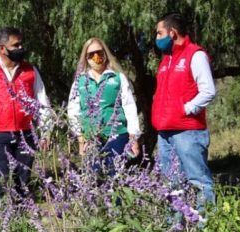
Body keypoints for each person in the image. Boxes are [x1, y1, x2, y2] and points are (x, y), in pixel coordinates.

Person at [0, 27, 52, 199]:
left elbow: (43, 103)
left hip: (27, 135)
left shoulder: (30, 71)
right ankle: (3, 223)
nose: (21, 48)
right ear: (2, 48)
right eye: (16, 45)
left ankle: (23, 221)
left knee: (24, 182)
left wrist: (45, 132)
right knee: (3, 182)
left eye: (21, 44)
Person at [152, 13, 216, 206]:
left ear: (172, 33)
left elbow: (208, 91)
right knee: (172, 184)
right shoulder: (166, 60)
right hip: (164, 132)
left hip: (188, 131)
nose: (157, 38)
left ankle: (206, 230)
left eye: (159, 33)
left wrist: (185, 109)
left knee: (198, 181)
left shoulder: (195, 55)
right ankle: (177, 231)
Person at [66, 37, 141, 175]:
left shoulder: (117, 77)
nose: (96, 57)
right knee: (94, 178)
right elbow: (73, 109)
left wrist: (134, 137)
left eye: (99, 52)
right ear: (86, 57)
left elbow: (129, 106)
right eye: (91, 54)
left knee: (116, 177)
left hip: (117, 135)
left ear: (105, 53)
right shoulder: (80, 81)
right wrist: (80, 137)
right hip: (90, 137)